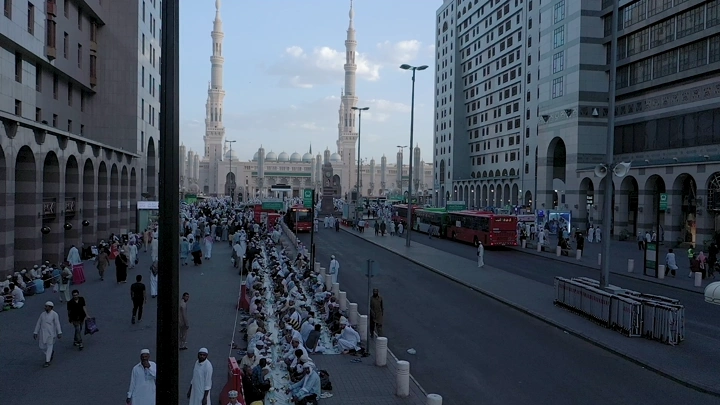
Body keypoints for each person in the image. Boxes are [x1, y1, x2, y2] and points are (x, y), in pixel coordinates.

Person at [33, 301, 62, 368]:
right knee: (42, 347)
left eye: (46, 306)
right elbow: (38, 323)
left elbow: (57, 323)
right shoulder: (42, 314)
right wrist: (35, 332)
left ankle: (47, 361)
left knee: (49, 346)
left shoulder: (54, 314)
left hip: (51, 333)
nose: (45, 307)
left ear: (50, 307)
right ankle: (50, 353)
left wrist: (59, 332)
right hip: (43, 333)